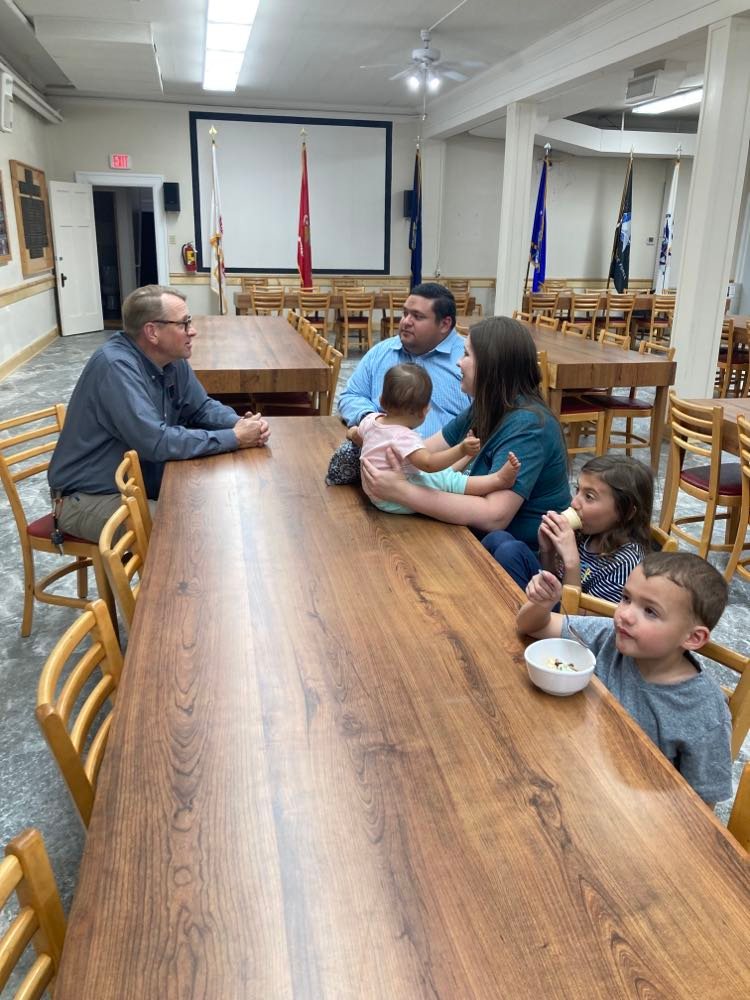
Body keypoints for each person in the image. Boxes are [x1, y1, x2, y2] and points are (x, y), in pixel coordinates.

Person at [48, 284, 270, 543]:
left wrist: (240, 424)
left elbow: (201, 407)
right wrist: (235, 437)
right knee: (190, 525)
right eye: (184, 324)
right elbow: (157, 442)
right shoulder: (116, 367)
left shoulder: (171, 360)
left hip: (138, 484)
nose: (193, 331)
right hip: (88, 497)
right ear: (152, 332)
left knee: (217, 504)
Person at [516, 552, 733, 805]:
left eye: (650, 611)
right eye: (626, 598)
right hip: (575, 772)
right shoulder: (610, 636)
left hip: (638, 810)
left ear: (693, 638)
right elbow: (533, 626)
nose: (625, 615)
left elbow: (702, 806)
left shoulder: (706, 713)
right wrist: (542, 604)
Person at [360, 316, 570, 542]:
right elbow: (424, 450)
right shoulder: (486, 405)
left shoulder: (529, 425)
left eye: (467, 354)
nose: (458, 363)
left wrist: (401, 492)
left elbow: (494, 516)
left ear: (491, 365)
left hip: (514, 552)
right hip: (471, 536)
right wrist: (380, 449)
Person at [348, 363, 520, 515]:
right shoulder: (403, 437)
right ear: (424, 411)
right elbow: (429, 464)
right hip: (393, 499)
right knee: (447, 481)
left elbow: (354, 433)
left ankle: (468, 458)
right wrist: (460, 449)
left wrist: (357, 436)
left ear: (381, 400)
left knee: (436, 475)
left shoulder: (370, 420)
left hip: (375, 492)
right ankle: (497, 480)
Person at [483, 455, 654, 597]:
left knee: (510, 552)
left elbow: (581, 620)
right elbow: (554, 580)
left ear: (626, 512)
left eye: (589, 497)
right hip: (554, 601)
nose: (574, 502)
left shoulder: (626, 565)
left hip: (568, 620)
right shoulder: (587, 534)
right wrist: (548, 551)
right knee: (498, 537)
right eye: (578, 490)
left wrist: (572, 561)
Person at [337, 281, 467, 436]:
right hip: (379, 448)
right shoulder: (381, 352)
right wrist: (373, 422)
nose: (406, 322)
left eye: (417, 317)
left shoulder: (470, 360)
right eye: (405, 314)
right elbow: (351, 396)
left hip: (445, 451)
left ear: (445, 324)